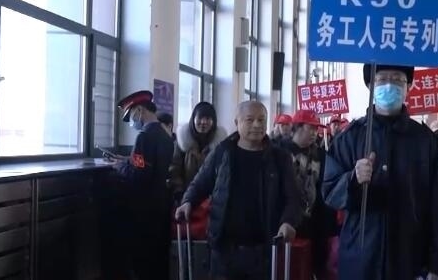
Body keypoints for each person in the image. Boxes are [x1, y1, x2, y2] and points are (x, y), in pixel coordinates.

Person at [322, 63, 438, 280]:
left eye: (397, 79)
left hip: (410, 257)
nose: (389, 85)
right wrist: (352, 180)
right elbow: (329, 191)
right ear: (370, 86)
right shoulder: (349, 138)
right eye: (382, 79)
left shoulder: (424, 140)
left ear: (408, 86)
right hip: (360, 257)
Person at [175, 101, 303, 280]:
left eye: (261, 120)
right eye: (250, 120)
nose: (257, 125)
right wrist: (188, 201)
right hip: (224, 249)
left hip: (263, 250)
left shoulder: (279, 158)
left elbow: (293, 198)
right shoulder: (223, 152)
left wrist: (288, 221)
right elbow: (200, 183)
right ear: (237, 122)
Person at [112, 90, 176, 280]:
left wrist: (119, 166)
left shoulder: (144, 136)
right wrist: (127, 160)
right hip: (161, 207)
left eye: (131, 115)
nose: (132, 122)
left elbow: (139, 175)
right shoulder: (165, 135)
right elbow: (150, 165)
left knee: (142, 263)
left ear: (140, 110)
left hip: (143, 210)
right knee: (157, 262)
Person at [277, 109, 339, 280]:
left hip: (313, 223)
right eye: (310, 128)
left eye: (316, 129)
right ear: (297, 127)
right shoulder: (279, 152)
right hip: (284, 220)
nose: (314, 132)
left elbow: (326, 189)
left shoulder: (321, 155)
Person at [169, 101, 227, 197]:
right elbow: (174, 169)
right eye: (200, 118)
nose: (203, 122)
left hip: (211, 197)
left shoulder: (220, 145)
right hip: (185, 195)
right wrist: (179, 192)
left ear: (214, 121)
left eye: (208, 118)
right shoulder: (182, 141)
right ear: (193, 119)